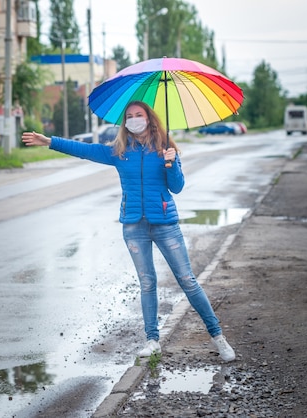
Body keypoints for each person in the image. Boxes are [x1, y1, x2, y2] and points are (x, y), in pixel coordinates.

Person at [21, 101, 235, 362]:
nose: (134, 119)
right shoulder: (120, 151)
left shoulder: (165, 149)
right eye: (130, 116)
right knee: (147, 283)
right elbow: (84, 150)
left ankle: (218, 338)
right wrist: (50, 141)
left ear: (149, 119)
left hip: (165, 223)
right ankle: (152, 340)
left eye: (139, 115)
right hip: (134, 226)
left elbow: (177, 187)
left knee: (187, 280)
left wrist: (172, 163)